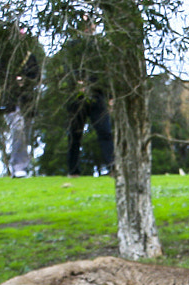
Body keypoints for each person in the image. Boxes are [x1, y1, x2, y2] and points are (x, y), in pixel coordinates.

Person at [55, 20, 112, 176]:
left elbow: (106, 71)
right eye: (88, 25)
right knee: (74, 134)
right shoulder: (71, 46)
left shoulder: (100, 47)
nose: (91, 28)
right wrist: (76, 82)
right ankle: (73, 171)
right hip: (76, 96)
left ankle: (113, 167)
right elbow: (67, 67)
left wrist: (110, 96)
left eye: (93, 25)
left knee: (105, 131)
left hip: (97, 94)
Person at [0, 22, 43, 178]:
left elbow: (37, 76)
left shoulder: (30, 57)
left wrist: (25, 80)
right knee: (18, 128)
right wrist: (14, 80)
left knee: (25, 133)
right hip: (10, 100)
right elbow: (1, 75)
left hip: (27, 100)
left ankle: (22, 164)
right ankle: (18, 167)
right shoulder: (5, 57)